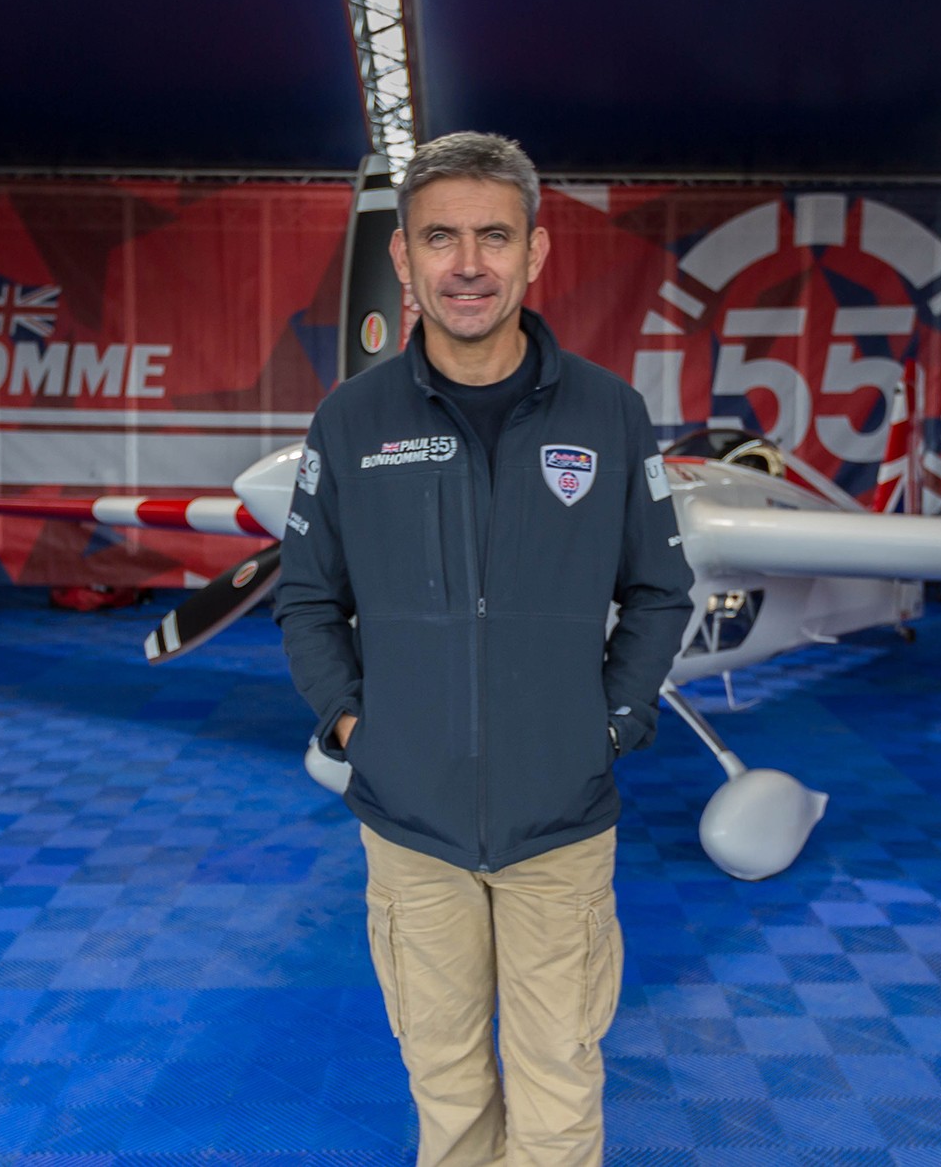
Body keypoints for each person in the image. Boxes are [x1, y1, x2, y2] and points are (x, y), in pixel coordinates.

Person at [273, 132, 694, 1167]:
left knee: (558, 1086)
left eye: (494, 236)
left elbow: (659, 589)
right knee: (448, 1086)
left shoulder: (609, 413)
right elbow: (306, 599)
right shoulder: (350, 421)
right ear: (404, 258)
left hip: (560, 826)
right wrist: (355, 726)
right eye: (440, 238)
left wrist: (610, 723)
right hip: (411, 827)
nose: (468, 264)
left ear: (535, 252)